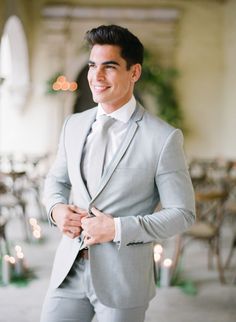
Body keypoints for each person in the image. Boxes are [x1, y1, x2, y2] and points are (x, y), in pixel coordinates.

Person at [40, 24, 195, 322]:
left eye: (109, 67)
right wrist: (56, 210)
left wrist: (117, 229)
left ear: (134, 73)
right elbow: (56, 180)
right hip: (68, 270)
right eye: (92, 65)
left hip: (123, 281)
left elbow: (183, 213)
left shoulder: (163, 137)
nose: (96, 77)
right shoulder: (72, 124)